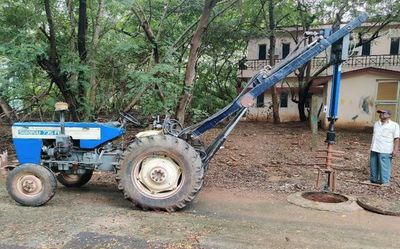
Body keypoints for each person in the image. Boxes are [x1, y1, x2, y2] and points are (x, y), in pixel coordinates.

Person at [370, 109, 399, 185]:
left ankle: (385, 182)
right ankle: (374, 180)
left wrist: (395, 149)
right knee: (373, 165)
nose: (381, 114)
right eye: (380, 113)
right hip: (375, 148)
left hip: (385, 149)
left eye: (383, 113)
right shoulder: (376, 124)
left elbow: (396, 138)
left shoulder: (394, 125)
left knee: (385, 166)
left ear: (389, 115)